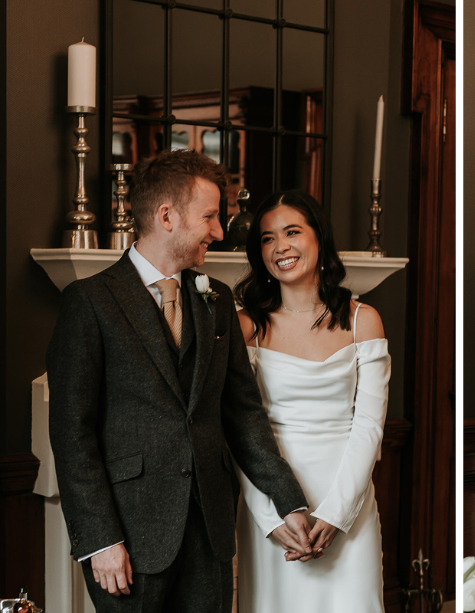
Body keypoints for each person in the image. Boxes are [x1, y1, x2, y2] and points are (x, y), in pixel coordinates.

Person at [46, 150, 312, 612]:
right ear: (167, 216)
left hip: (208, 532)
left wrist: (290, 501)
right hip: (127, 539)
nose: (219, 231)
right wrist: (100, 539)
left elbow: (243, 413)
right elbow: (72, 435)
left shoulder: (218, 300)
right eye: (209, 216)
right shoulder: (89, 302)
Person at [233, 190, 390, 611]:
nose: (279, 246)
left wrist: (338, 514)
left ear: (319, 238)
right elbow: (241, 430)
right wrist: (271, 518)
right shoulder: (246, 327)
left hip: (347, 499)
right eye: (266, 238)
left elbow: (370, 427)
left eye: (291, 232)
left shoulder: (362, 320)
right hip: (272, 503)